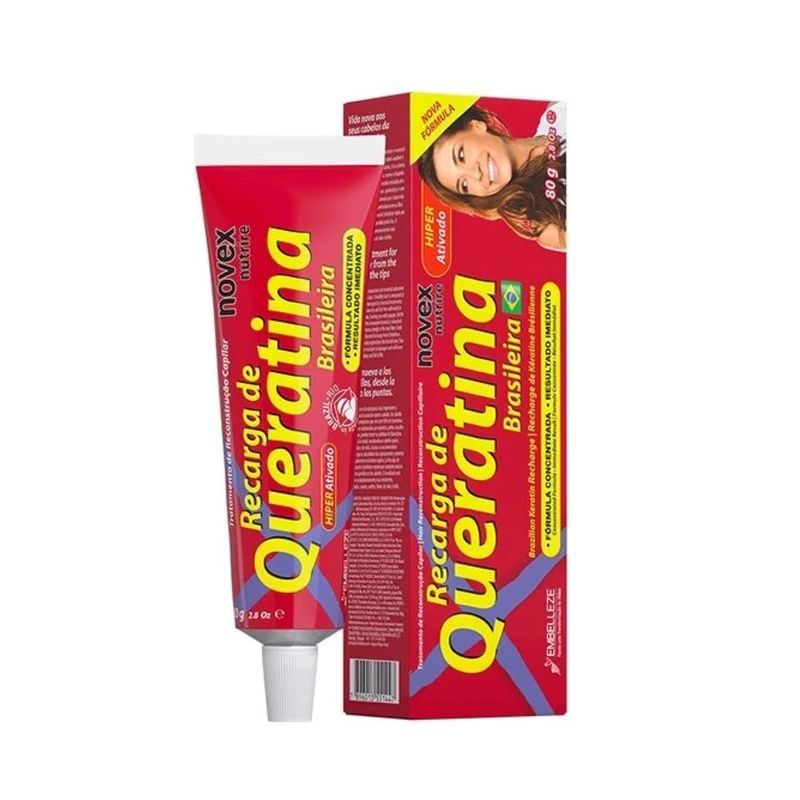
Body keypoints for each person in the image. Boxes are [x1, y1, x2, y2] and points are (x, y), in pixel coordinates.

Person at [418, 103, 566, 250]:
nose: (475, 174)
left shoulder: (558, 110)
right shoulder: (548, 224)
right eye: (464, 185)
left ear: (476, 126)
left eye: (461, 155)